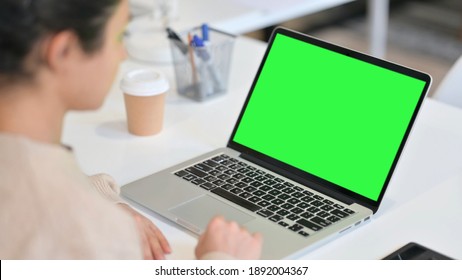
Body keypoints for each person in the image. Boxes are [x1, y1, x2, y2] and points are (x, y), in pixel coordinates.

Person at [0, 0, 262, 260]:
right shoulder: (91, 239)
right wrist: (223, 262)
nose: (123, 54)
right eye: (119, 36)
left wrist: (102, 200)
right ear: (64, 51)